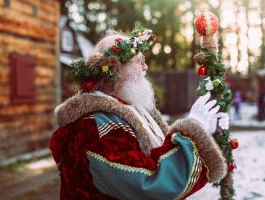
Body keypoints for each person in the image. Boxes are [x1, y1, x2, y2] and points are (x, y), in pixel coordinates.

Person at [49, 27, 229, 200]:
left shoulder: (130, 111)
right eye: (138, 60)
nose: (146, 67)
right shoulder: (92, 127)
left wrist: (207, 134)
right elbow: (152, 183)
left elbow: (160, 153)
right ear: (115, 69)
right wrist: (194, 130)